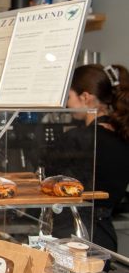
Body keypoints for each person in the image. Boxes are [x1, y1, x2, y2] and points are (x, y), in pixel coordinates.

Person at [48, 64, 129, 251]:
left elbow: (50, 181)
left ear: (85, 97)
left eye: (69, 97)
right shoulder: (123, 135)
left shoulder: (77, 139)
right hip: (105, 236)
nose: (67, 105)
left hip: (74, 236)